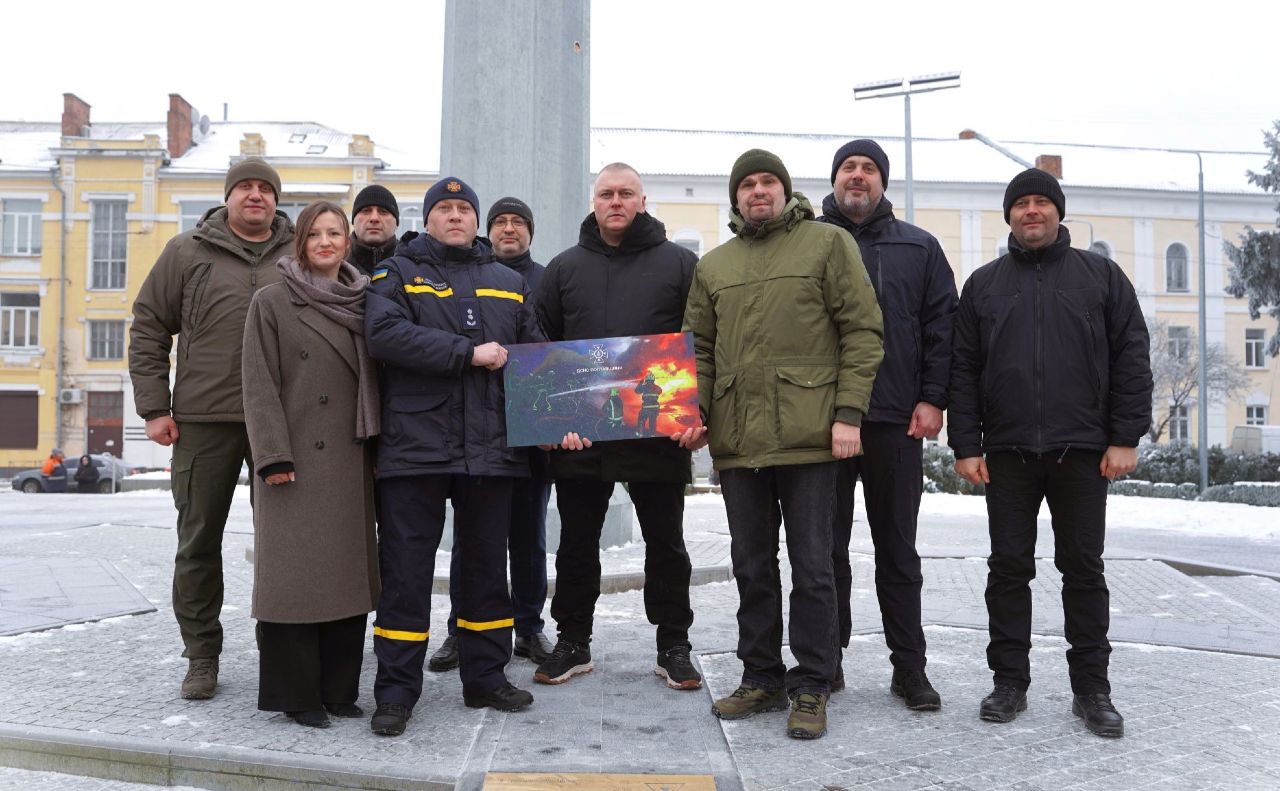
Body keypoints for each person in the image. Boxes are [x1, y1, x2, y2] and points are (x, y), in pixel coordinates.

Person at [683, 149, 883, 740]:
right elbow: (698, 349)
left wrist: (848, 414)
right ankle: (761, 676)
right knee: (751, 566)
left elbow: (862, 331)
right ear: (735, 197)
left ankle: (814, 682)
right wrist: (693, 410)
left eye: (768, 181)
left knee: (813, 567)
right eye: (747, 184)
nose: (758, 191)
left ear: (785, 190)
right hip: (738, 441)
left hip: (811, 438)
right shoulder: (714, 265)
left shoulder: (826, 244)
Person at [949, 168, 1153, 738]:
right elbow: (962, 370)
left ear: (1058, 212)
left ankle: (1092, 690)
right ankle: (1008, 682)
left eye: (1042, 201)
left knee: (1083, 570)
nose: (1031, 211)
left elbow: (1132, 356)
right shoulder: (984, 285)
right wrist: (966, 445)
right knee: (1008, 570)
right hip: (1007, 453)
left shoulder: (1100, 276)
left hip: (1083, 451)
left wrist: (1125, 436)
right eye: (1021, 204)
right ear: (1010, 216)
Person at [364, 177, 545, 737]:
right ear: (428, 219)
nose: (455, 215)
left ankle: (485, 677)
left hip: (490, 452)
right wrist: (467, 353)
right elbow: (385, 335)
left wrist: (558, 422)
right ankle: (396, 691)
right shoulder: (396, 273)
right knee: (406, 574)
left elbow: (536, 359)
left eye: (464, 208)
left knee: (487, 570)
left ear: (475, 220)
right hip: (415, 448)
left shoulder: (509, 282)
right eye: (444, 208)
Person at [534, 163, 701, 693]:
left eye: (626, 193)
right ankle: (573, 640)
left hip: (658, 430)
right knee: (576, 544)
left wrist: (699, 413)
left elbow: (703, 342)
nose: (616, 201)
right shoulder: (564, 268)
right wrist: (553, 421)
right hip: (581, 436)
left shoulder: (681, 264)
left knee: (666, 543)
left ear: (642, 201)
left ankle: (674, 644)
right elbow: (542, 347)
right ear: (595, 201)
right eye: (606, 193)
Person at [130, 157, 293, 699]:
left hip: (282, 422)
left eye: (265, 188)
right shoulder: (186, 252)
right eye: (245, 187)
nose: (255, 195)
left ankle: (283, 652)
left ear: (276, 200)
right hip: (203, 421)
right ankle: (201, 655)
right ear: (228, 196)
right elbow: (149, 326)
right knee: (198, 542)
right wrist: (155, 408)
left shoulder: (297, 254)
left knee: (284, 542)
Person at [819, 139, 957, 710]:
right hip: (823, 422)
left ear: (883, 182)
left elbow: (942, 328)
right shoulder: (807, 242)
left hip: (896, 421)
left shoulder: (918, 247)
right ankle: (826, 662)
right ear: (834, 180)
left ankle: (909, 668)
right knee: (824, 551)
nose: (858, 175)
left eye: (869, 168)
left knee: (898, 550)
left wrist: (933, 398)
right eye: (848, 167)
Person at [241, 200, 380, 729]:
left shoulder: (365, 300)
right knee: (294, 582)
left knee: (345, 579)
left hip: (350, 456)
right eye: (315, 234)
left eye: (335, 233)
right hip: (293, 459)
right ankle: (297, 695)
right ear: (300, 242)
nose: (326, 242)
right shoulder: (272, 301)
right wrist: (271, 455)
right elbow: (258, 384)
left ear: (348, 241)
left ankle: (339, 690)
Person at [429, 196, 554, 672]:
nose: (508, 229)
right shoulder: (464, 276)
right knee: (472, 538)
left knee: (528, 535)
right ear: (487, 230)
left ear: (530, 232)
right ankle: (460, 629)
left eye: (518, 222)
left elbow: (553, 351)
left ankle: (529, 627)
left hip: (530, 433)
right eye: (500, 221)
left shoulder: (546, 280)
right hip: (477, 435)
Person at [347, 184, 400, 276]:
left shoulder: (413, 264)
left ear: (397, 223)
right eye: (366, 211)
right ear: (353, 221)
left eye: (383, 211)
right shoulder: (335, 264)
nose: (374, 218)